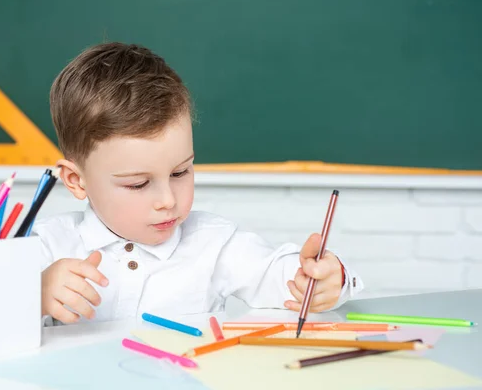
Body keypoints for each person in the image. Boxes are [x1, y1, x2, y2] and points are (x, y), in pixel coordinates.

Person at [33, 42, 364, 325]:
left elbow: (282, 277)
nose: (168, 200)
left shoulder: (214, 244)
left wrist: (322, 281)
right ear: (76, 181)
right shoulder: (47, 246)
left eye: (180, 173)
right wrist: (35, 294)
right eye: (137, 184)